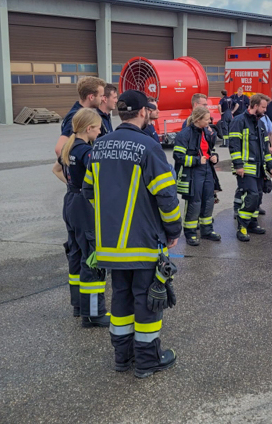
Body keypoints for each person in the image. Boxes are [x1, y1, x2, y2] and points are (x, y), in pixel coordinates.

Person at [82, 90, 182, 378]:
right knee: (148, 301)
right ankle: (148, 360)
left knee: (121, 300)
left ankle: (122, 358)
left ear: (119, 113)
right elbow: (166, 196)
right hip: (142, 243)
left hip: (110, 246)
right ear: (142, 112)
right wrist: (173, 230)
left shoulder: (99, 146)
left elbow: (89, 191)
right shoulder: (148, 147)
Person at [51, 108, 108, 327]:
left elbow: (56, 170)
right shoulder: (87, 152)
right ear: (88, 128)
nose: (101, 130)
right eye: (98, 127)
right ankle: (93, 313)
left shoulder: (69, 147)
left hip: (71, 202)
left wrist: (74, 187)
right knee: (92, 258)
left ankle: (78, 306)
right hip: (85, 206)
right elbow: (101, 179)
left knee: (75, 254)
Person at [228, 94, 272, 242]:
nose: (265, 110)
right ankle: (242, 227)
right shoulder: (239, 121)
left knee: (258, 197)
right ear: (254, 106)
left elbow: (265, 149)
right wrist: (238, 166)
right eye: (263, 107)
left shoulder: (261, 124)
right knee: (251, 196)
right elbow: (234, 145)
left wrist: (271, 166)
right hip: (246, 168)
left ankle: (253, 223)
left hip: (260, 168)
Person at [173, 106, 222, 246]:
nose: (209, 122)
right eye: (206, 120)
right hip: (193, 173)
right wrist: (195, 160)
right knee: (195, 203)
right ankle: (190, 233)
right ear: (198, 119)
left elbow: (208, 150)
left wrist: (214, 157)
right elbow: (178, 156)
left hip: (207, 170)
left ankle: (207, 230)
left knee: (208, 200)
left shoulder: (206, 132)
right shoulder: (184, 134)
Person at [55, 76, 106, 156]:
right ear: (91, 97)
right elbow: (59, 149)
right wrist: (73, 166)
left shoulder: (82, 113)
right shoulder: (77, 116)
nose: (103, 99)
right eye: (101, 96)